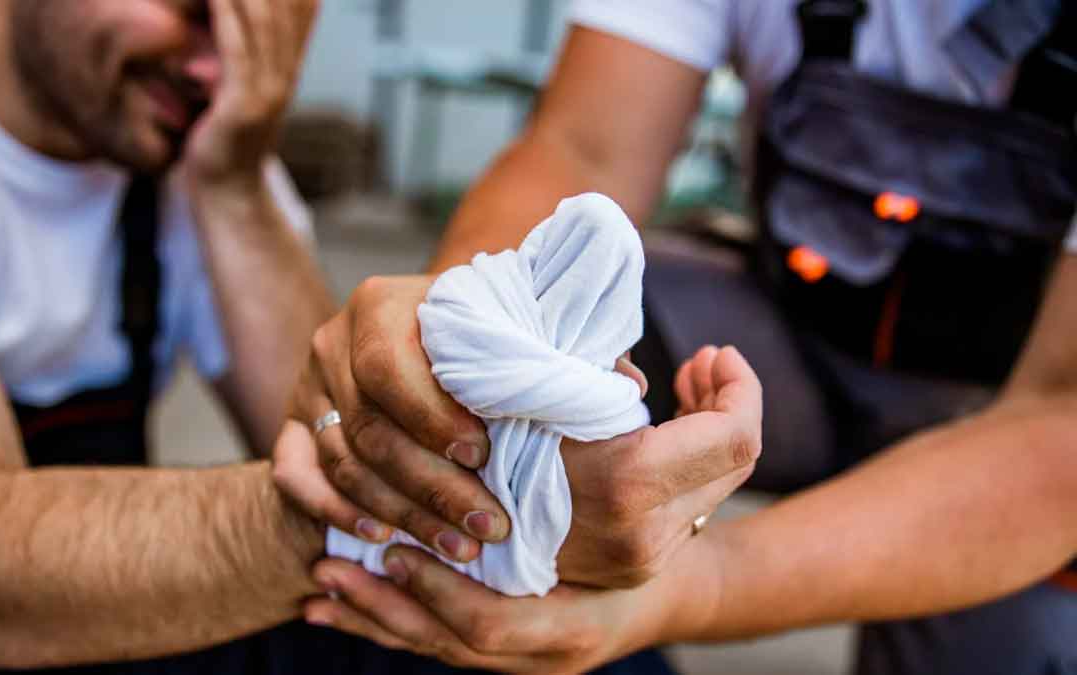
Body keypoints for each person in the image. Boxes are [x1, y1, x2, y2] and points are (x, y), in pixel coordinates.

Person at [0, 1, 760, 673]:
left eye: (261, 42)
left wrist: (231, 180)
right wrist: (374, 519)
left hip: (90, 622)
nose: (212, 72)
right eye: (198, 12)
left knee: (550, 646)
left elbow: (324, 419)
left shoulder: (182, 143)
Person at [287, 1, 1077, 673]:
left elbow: (1061, 412)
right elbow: (581, 148)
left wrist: (689, 584)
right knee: (521, 464)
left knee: (995, 643)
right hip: (789, 348)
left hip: (1020, 414)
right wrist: (460, 337)